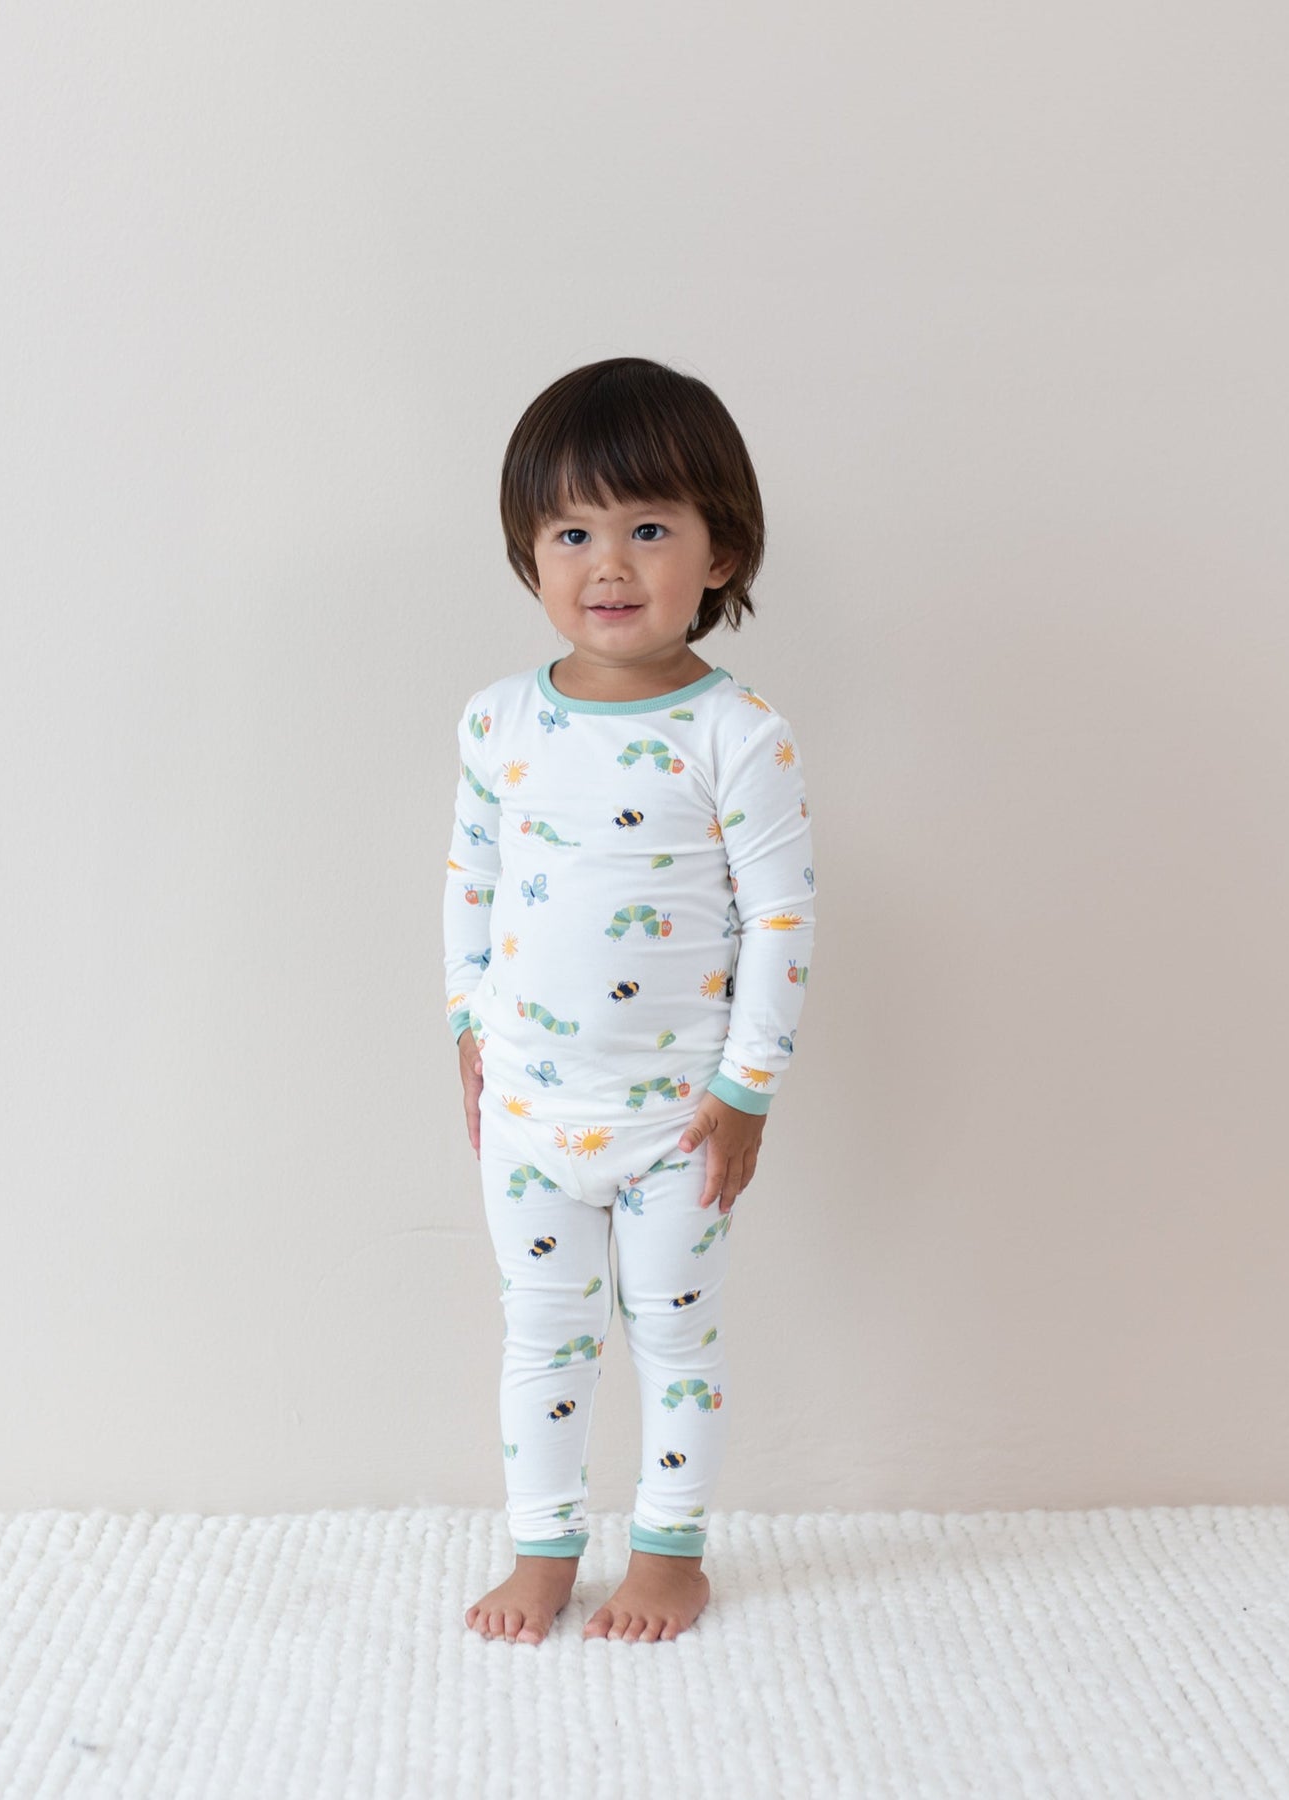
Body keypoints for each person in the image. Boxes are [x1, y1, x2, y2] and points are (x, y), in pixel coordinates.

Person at [445, 357, 817, 1645]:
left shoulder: (738, 734)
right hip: (529, 1112)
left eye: (649, 528)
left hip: (677, 1120)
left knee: (674, 1336)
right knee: (542, 1339)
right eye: (572, 533)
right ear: (530, 555)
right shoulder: (497, 723)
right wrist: (465, 1023)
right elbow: (472, 879)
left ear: (722, 552)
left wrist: (746, 1088)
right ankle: (543, 1549)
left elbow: (782, 917)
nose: (608, 563)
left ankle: (669, 1554)